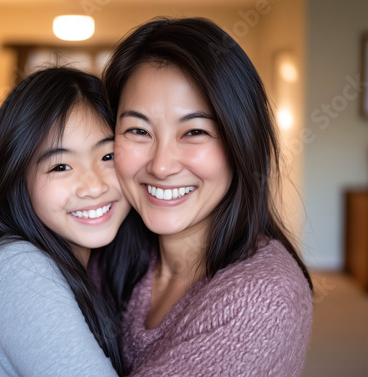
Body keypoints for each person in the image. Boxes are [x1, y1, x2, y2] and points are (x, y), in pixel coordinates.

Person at [100, 17, 314, 376]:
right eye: (138, 130)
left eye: (195, 131)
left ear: (240, 143)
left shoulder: (261, 299)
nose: (162, 165)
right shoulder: (112, 250)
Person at [0, 67, 145, 377]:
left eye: (108, 157)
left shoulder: (92, 267)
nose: (93, 186)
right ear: (16, 179)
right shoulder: (16, 268)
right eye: (61, 166)